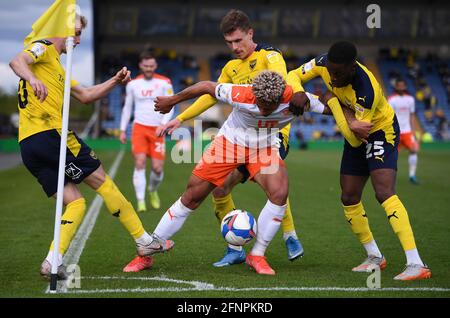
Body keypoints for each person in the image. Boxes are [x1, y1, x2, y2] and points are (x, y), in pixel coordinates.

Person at [9, 15, 172, 280]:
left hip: (29, 145)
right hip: (52, 136)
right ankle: (143, 239)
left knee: (75, 203)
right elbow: (17, 61)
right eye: (75, 32)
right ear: (61, 29)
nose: (78, 39)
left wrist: (115, 81)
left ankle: (52, 262)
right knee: (103, 181)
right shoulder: (44, 47)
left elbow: (85, 96)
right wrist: (32, 79)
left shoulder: (58, 68)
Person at [157, 9, 304, 269]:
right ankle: (235, 247)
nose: (235, 47)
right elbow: (209, 94)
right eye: (229, 43)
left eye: (239, 41)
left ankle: (289, 235)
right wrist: (180, 119)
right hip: (238, 138)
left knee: (275, 186)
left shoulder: (270, 55)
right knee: (220, 187)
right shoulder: (230, 68)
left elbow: (281, 84)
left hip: (273, 135)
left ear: (250, 34)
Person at [287, 41, 431, 281]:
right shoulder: (323, 62)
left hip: (379, 130)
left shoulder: (367, 90)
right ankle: (375, 257)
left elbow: (354, 138)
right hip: (353, 127)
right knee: (349, 196)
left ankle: (416, 263)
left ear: (352, 69)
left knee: (383, 191)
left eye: (339, 74)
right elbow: (293, 74)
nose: (332, 78)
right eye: (330, 72)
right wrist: (299, 91)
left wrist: (332, 101)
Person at [152, 71, 320, 275]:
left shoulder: (296, 100)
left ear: (280, 98)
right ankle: (151, 247)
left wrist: (354, 119)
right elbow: (206, 86)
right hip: (229, 144)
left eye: (268, 107)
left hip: (264, 148)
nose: (263, 110)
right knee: (192, 196)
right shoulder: (241, 93)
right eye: (259, 104)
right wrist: (172, 100)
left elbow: (330, 106)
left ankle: (257, 255)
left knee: (279, 192)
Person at [119, 51, 175, 212]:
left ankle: (152, 190)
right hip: (139, 128)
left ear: (155, 66)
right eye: (146, 66)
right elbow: (127, 107)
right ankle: (141, 200)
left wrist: (163, 124)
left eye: (151, 66)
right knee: (140, 162)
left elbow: (170, 106)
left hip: (157, 130)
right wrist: (122, 129)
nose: (149, 68)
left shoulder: (165, 83)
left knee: (157, 168)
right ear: (141, 66)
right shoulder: (133, 84)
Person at [388, 79, 420, 184]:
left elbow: (412, 116)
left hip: (407, 131)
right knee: (393, 155)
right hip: (395, 131)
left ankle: (412, 175)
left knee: (414, 150)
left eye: (402, 86)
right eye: (399, 86)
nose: (401, 88)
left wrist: (414, 132)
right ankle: (391, 177)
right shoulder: (392, 99)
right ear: (396, 87)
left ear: (405, 86)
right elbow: (389, 117)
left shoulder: (410, 99)